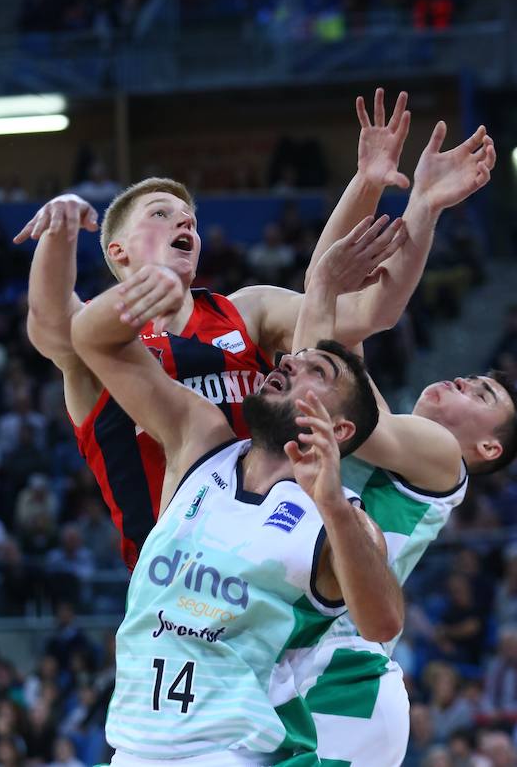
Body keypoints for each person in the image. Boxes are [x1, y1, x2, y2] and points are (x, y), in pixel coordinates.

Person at [14, 89, 415, 569]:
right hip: (178, 576)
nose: (183, 218)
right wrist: (59, 230)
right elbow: (52, 325)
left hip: (279, 551)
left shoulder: (248, 311)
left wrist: (370, 185)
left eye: (189, 218)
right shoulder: (105, 345)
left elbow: (362, 313)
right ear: (118, 251)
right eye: (160, 213)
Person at [70, 237, 404, 764]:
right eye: (294, 360)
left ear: (339, 428)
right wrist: (140, 291)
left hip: (239, 753)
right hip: (135, 749)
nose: (292, 364)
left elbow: (383, 622)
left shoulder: (341, 518)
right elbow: (91, 339)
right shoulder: (199, 438)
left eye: (318, 373)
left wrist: (336, 507)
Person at [284, 115, 508, 766]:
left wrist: (327, 286)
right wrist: (414, 202)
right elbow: (341, 306)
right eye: (475, 379)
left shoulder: (440, 460)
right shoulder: (378, 421)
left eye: (484, 395)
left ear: (486, 449)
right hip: (305, 665)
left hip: (344, 678)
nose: (468, 379)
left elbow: (316, 370)